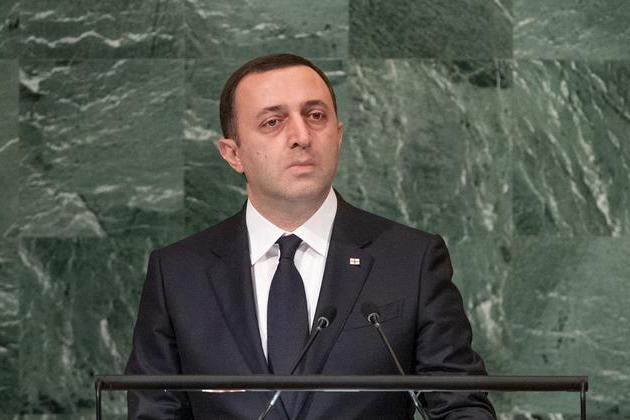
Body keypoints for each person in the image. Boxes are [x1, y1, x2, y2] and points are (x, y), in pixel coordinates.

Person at [125, 53, 496, 419]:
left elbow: (461, 407)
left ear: (338, 135)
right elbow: (155, 413)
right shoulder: (178, 274)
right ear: (233, 154)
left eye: (316, 116)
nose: (301, 136)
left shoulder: (410, 260)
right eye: (273, 122)